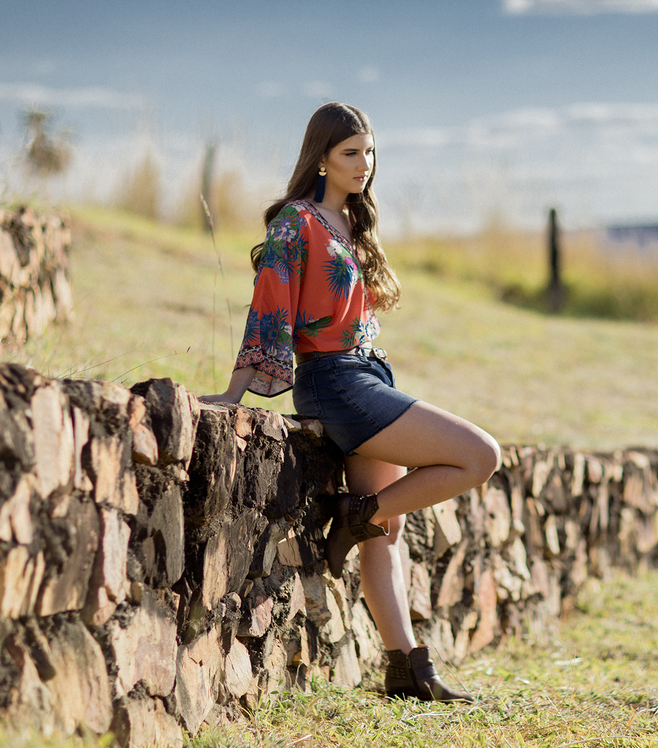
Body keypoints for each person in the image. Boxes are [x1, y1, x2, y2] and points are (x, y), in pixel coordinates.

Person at [199, 102, 500, 703]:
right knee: (480, 456)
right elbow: (270, 304)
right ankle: (351, 514)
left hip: (369, 375)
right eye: (350, 153)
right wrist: (234, 390)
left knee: (386, 533)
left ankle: (407, 669)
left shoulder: (353, 222)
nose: (364, 164)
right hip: (335, 382)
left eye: (369, 152)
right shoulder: (297, 221)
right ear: (321, 158)